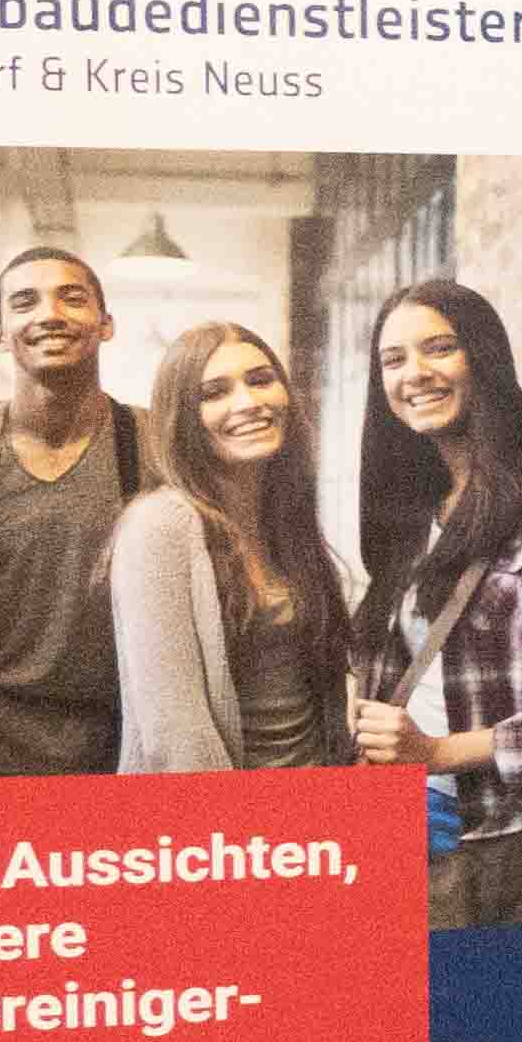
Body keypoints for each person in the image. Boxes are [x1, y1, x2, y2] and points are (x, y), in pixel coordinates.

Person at [345, 282, 522, 922]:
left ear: (482, 358)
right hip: (411, 837)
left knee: (501, 1020)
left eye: (439, 349)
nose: (415, 374)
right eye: (393, 360)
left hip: (515, 843)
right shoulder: (416, 502)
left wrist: (441, 752)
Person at [0, 244, 147, 778]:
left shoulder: (153, 447)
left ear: (106, 323)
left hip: (118, 756)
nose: (50, 314)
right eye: (25, 302)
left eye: (72, 298)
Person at [109, 324, 352, 773]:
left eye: (261, 380)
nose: (248, 402)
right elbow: (174, 736)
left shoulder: (285, 517)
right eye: (215, 392)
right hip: (224, 830)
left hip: (318, 817)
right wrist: (240, 834)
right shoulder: (159, 525)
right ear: (181, 418)